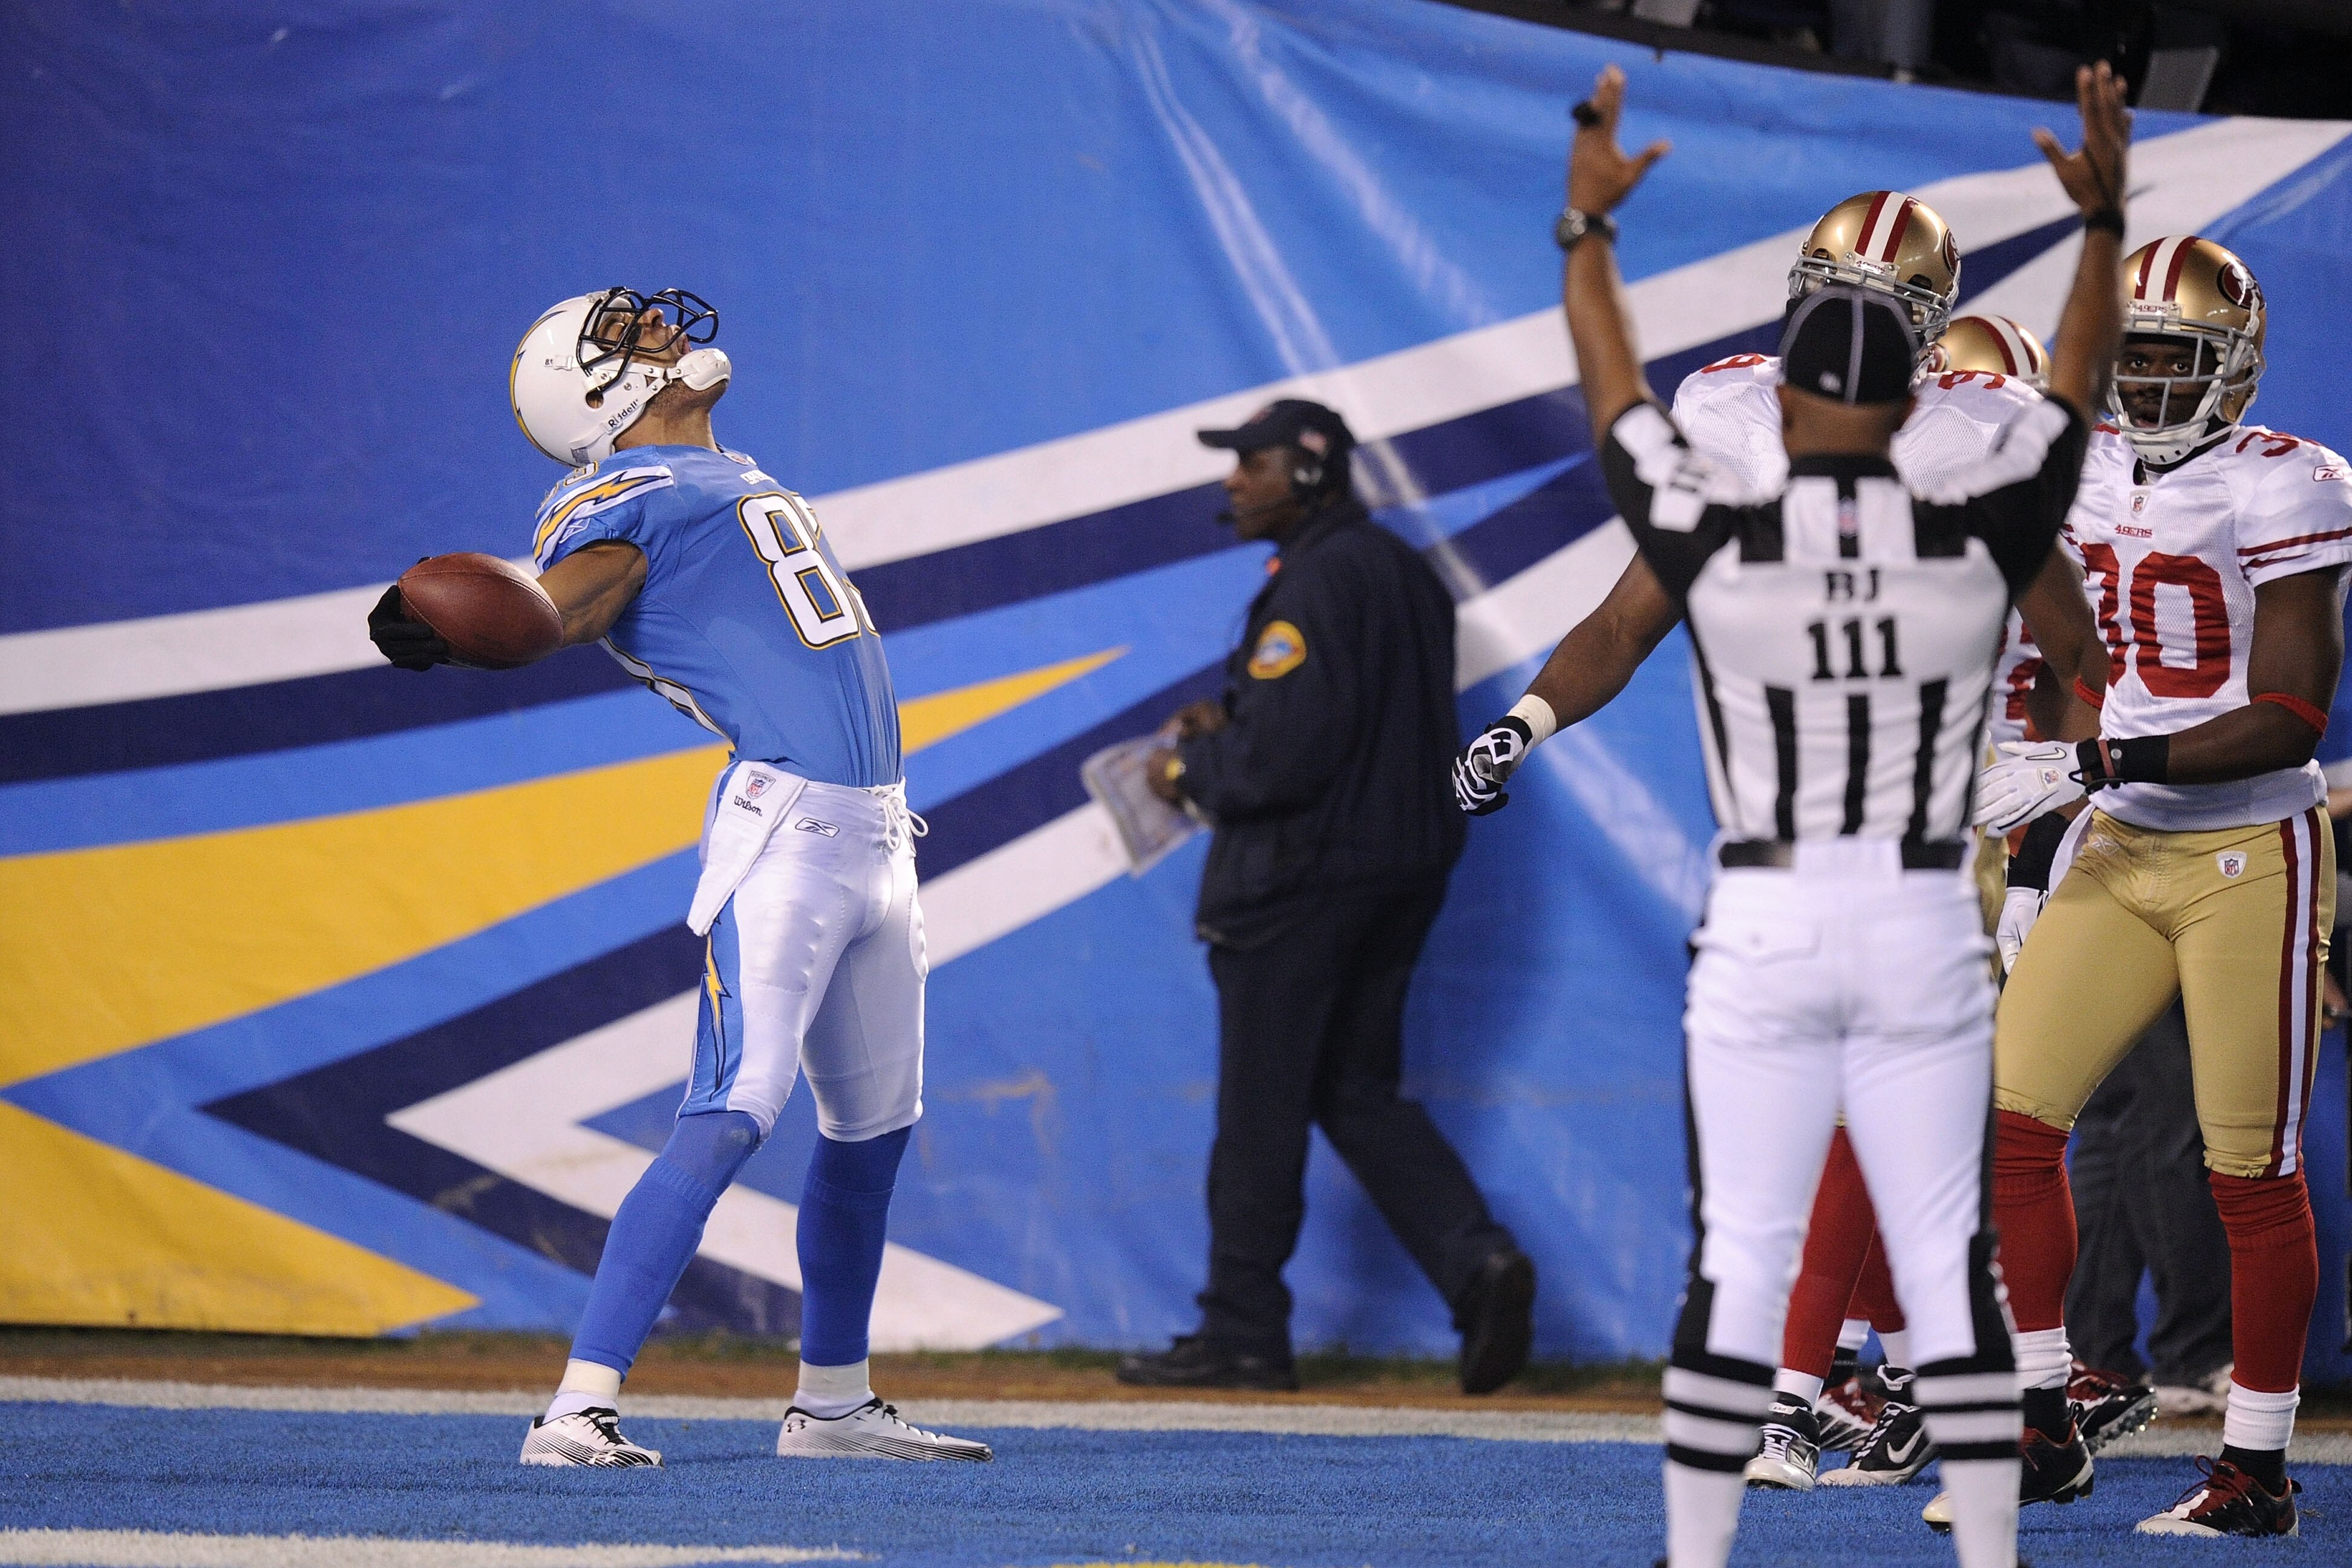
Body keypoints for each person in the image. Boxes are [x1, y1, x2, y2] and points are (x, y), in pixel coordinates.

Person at [1454, 60, 2130, 1568]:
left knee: (1746, 1246)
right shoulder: (1981, 493)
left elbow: (1615, 418)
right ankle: (1987, 1511)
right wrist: (2106, 224)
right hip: (1913, 899)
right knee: (1945, 1224)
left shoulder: (1715, 509)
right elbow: (2073, 431)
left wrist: (1585, 233)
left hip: (1777, 905)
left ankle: (1707, 1530)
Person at [366, 287, 990, 1466]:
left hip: (877, 833)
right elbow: (568, 603)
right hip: (788, 833)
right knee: (738, 1106)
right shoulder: (622, 495)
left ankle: (835, 1405)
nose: (659, 328)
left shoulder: (726, 475)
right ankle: (575, 1407)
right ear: (594, 396)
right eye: (624, 333)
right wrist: (500, 615)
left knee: (874, 1129)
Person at [1966, 228, 2352, 1537]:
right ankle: (2041, 1418)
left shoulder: (2288, 483)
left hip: (2248, 849)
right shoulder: (2082, 475)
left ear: (2233, 368)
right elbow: (2085, 652)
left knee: (2248, 1166)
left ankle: (2255, 1471)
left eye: (2172, 358)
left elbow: (2293, 712)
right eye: (2129, 358)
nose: (2145, 383)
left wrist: (2097, 758)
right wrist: (2036, 841)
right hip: (2120, 841)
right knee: (2014, 1118)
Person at [1112, 397, 1536, 1396]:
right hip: (1402, 875)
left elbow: (1282, 762)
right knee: (1355, 1091)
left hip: (1301, 884)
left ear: (1308, 472)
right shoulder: (1401, 571)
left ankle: (1244, 1330)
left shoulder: (1312, 582)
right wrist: (1241, 718)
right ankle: (1477, 1261)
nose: (1232, 481)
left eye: (1250, 464)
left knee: (1260, 1111)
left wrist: (1189, 771)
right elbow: (1354, 719)